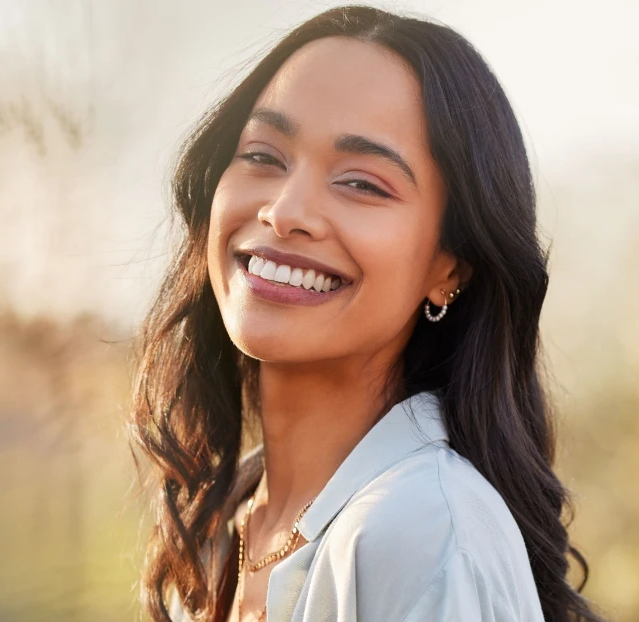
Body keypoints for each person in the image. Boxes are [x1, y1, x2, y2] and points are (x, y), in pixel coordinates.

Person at [129, 4, 603, 621]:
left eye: (362, 183)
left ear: (449, 268)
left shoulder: (424, 530)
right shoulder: (227, 520)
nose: (285, 210)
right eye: (263, 156)